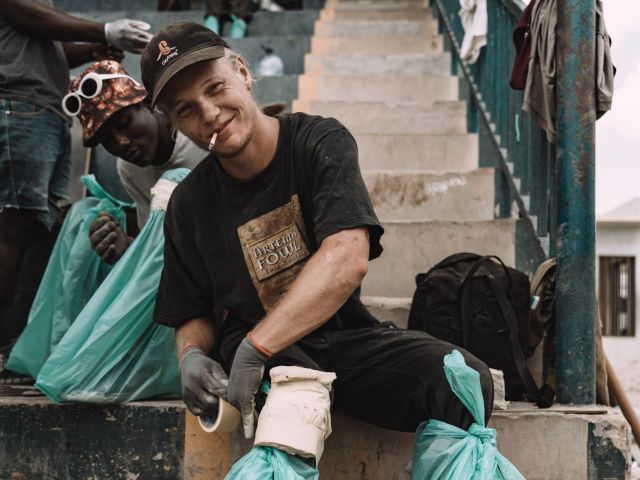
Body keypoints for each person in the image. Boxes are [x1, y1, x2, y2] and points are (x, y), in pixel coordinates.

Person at [140, 20, 493, 464]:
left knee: (463, 382)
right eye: (185, 109)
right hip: (267, 367)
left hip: (340, 340)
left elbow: (347, 257)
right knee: (291, 401)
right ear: (175, 123)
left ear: (243, 72)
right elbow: (190, 310)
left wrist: (257, 345)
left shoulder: (318, 141)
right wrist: (191, 357)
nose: (208, 113)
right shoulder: (188, 203)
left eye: (215, 88)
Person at [0, 0, 153, 369]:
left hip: (42, 110)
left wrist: (91, 50)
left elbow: (43, 48)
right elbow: (24, 14)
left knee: (35, 230)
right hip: (19, 105)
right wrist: (101, 31)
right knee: (12, 230)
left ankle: (14, 344)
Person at [68, 60, 207, 263]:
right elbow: (158, 244)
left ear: (148, 103)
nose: (121, 142)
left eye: (125, 123)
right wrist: (126, 249)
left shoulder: (197, 133)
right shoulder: (128, 168)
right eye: (107, 140)